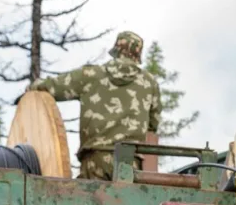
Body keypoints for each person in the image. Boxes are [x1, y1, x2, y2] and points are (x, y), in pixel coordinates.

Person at [30, 32, 161, 181]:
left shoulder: (91, 75)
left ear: (116, 50)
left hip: (94, 159)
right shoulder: (149, 83)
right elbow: (153, 124)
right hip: (130, 164)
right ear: (137, 55)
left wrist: (31, 88)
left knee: (90, 201)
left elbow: (53, 87)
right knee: (123, 202)